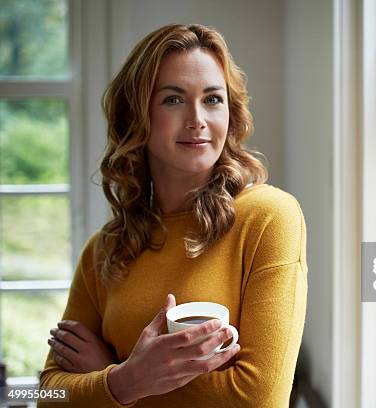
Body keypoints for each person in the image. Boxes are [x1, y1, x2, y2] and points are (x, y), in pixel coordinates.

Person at [39, 24, 307, 407]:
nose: (197, 118)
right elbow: (42, 394)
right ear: (137, 115)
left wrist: (118, 377)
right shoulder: (103, 250)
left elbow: (259, 399)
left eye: (213, 99)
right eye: (172, 99)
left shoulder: (269, 218)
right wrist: (124, 380)